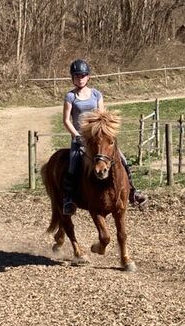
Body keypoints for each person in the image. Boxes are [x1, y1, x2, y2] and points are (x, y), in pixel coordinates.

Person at [62, 59, 148, 216]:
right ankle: (68, 199)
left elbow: (103, 117)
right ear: (72, 78)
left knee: (122, 159)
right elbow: (66, 120)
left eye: (82, 75)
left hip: (97, 139)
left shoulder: (96, 94)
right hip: (80, 140)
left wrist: (105, 133)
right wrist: (76, 135)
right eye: (76, 76)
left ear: (88, 77)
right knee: (73, 164)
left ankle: (132, 193)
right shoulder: (70, 97)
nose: (80, 78)